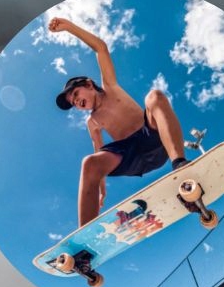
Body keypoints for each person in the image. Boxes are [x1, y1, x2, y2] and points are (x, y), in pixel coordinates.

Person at [47, 16, 191, 227]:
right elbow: (98, 153)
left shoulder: (110, 86)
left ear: (89, 84)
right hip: (129, 156)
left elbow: (100, 48)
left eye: (76, 94)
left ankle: (180, 164)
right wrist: (101, 189)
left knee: (155, 97)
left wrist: (69, 27)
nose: (77, 102)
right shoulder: (92, 122)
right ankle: (85, 236)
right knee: (89, 163)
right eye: (73, 103)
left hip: (153, 139)